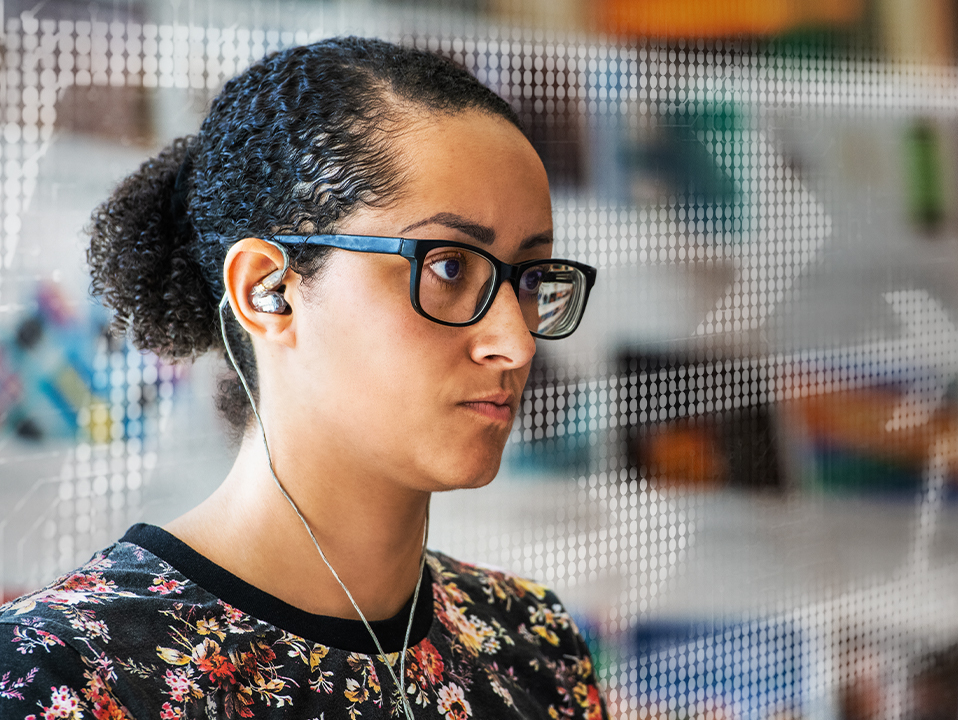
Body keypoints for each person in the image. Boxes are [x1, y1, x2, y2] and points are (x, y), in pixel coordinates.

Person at [0, 36, 605, 720]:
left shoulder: (533, 643)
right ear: (270, 290)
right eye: (448, 268)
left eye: (529, 278)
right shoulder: (71, 673)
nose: (516, 342)